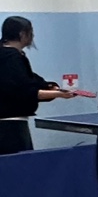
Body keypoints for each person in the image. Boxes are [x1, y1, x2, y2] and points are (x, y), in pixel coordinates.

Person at [0, 15, 76, 154]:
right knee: (19, 164)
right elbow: (25, 91)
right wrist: (58, 94)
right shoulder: (12, 58)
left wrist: (48, 86)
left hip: (10, 124)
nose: (33, 36)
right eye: (31, 32)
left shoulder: (9, 55)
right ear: (22, 34)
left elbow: (30, 81)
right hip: (10, 127)